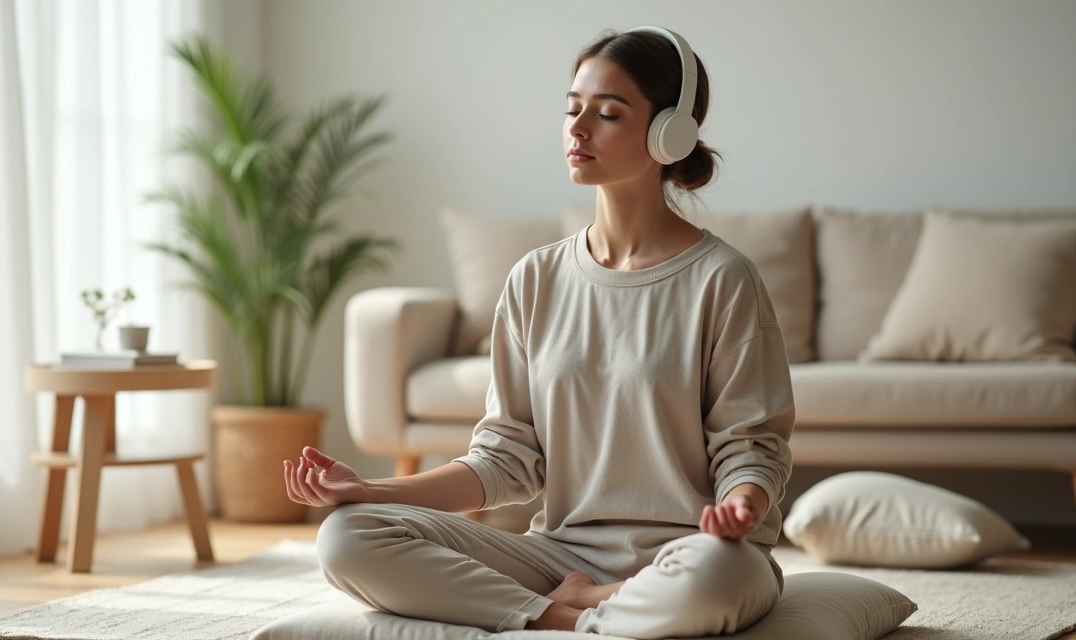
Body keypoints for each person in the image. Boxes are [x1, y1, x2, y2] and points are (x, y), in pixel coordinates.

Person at [282, 26, 795, 638]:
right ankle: (566, 613)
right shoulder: (535, 278)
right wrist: (367, 488)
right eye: (572, 109)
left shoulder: (723, 278)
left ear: (669, 134)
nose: (578, 130)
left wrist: (743, 507)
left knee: (718, 576)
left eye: (607, 114)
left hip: (693, 552)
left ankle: (587, 602)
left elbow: (750, 446)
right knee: (346, 535)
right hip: (558, 557)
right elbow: (505, 460)